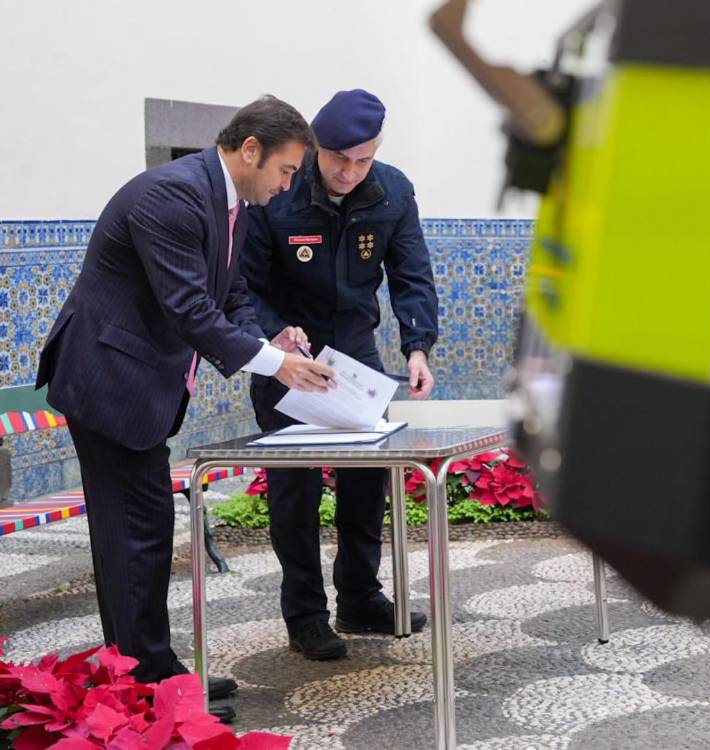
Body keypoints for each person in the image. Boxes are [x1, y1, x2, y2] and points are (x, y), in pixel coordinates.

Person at [35, 96, 336, 722]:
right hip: (108, 378)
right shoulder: (169, 196)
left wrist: (270, 340)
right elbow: (189, 310)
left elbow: (233, 296)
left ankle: (153, 667)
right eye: (284, 171)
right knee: (130, 538)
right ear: (250, 149)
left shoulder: (233, 204)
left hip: (141, 385)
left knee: (144, 532)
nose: (285, 188)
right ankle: (144, 685)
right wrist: (273, 364)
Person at [242, 89, 439, 661]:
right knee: (294, 491)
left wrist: (418, 346)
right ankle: (305, 615)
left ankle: (359, 596)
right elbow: (244, 284)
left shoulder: (393, 191)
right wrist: (275, 335)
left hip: (355, 361)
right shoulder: (280, 189)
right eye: (338, 160)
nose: (351, 173)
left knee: (365, 482)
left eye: (364, 160)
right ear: (316, 150)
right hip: (287, 360)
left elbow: (411, 274)